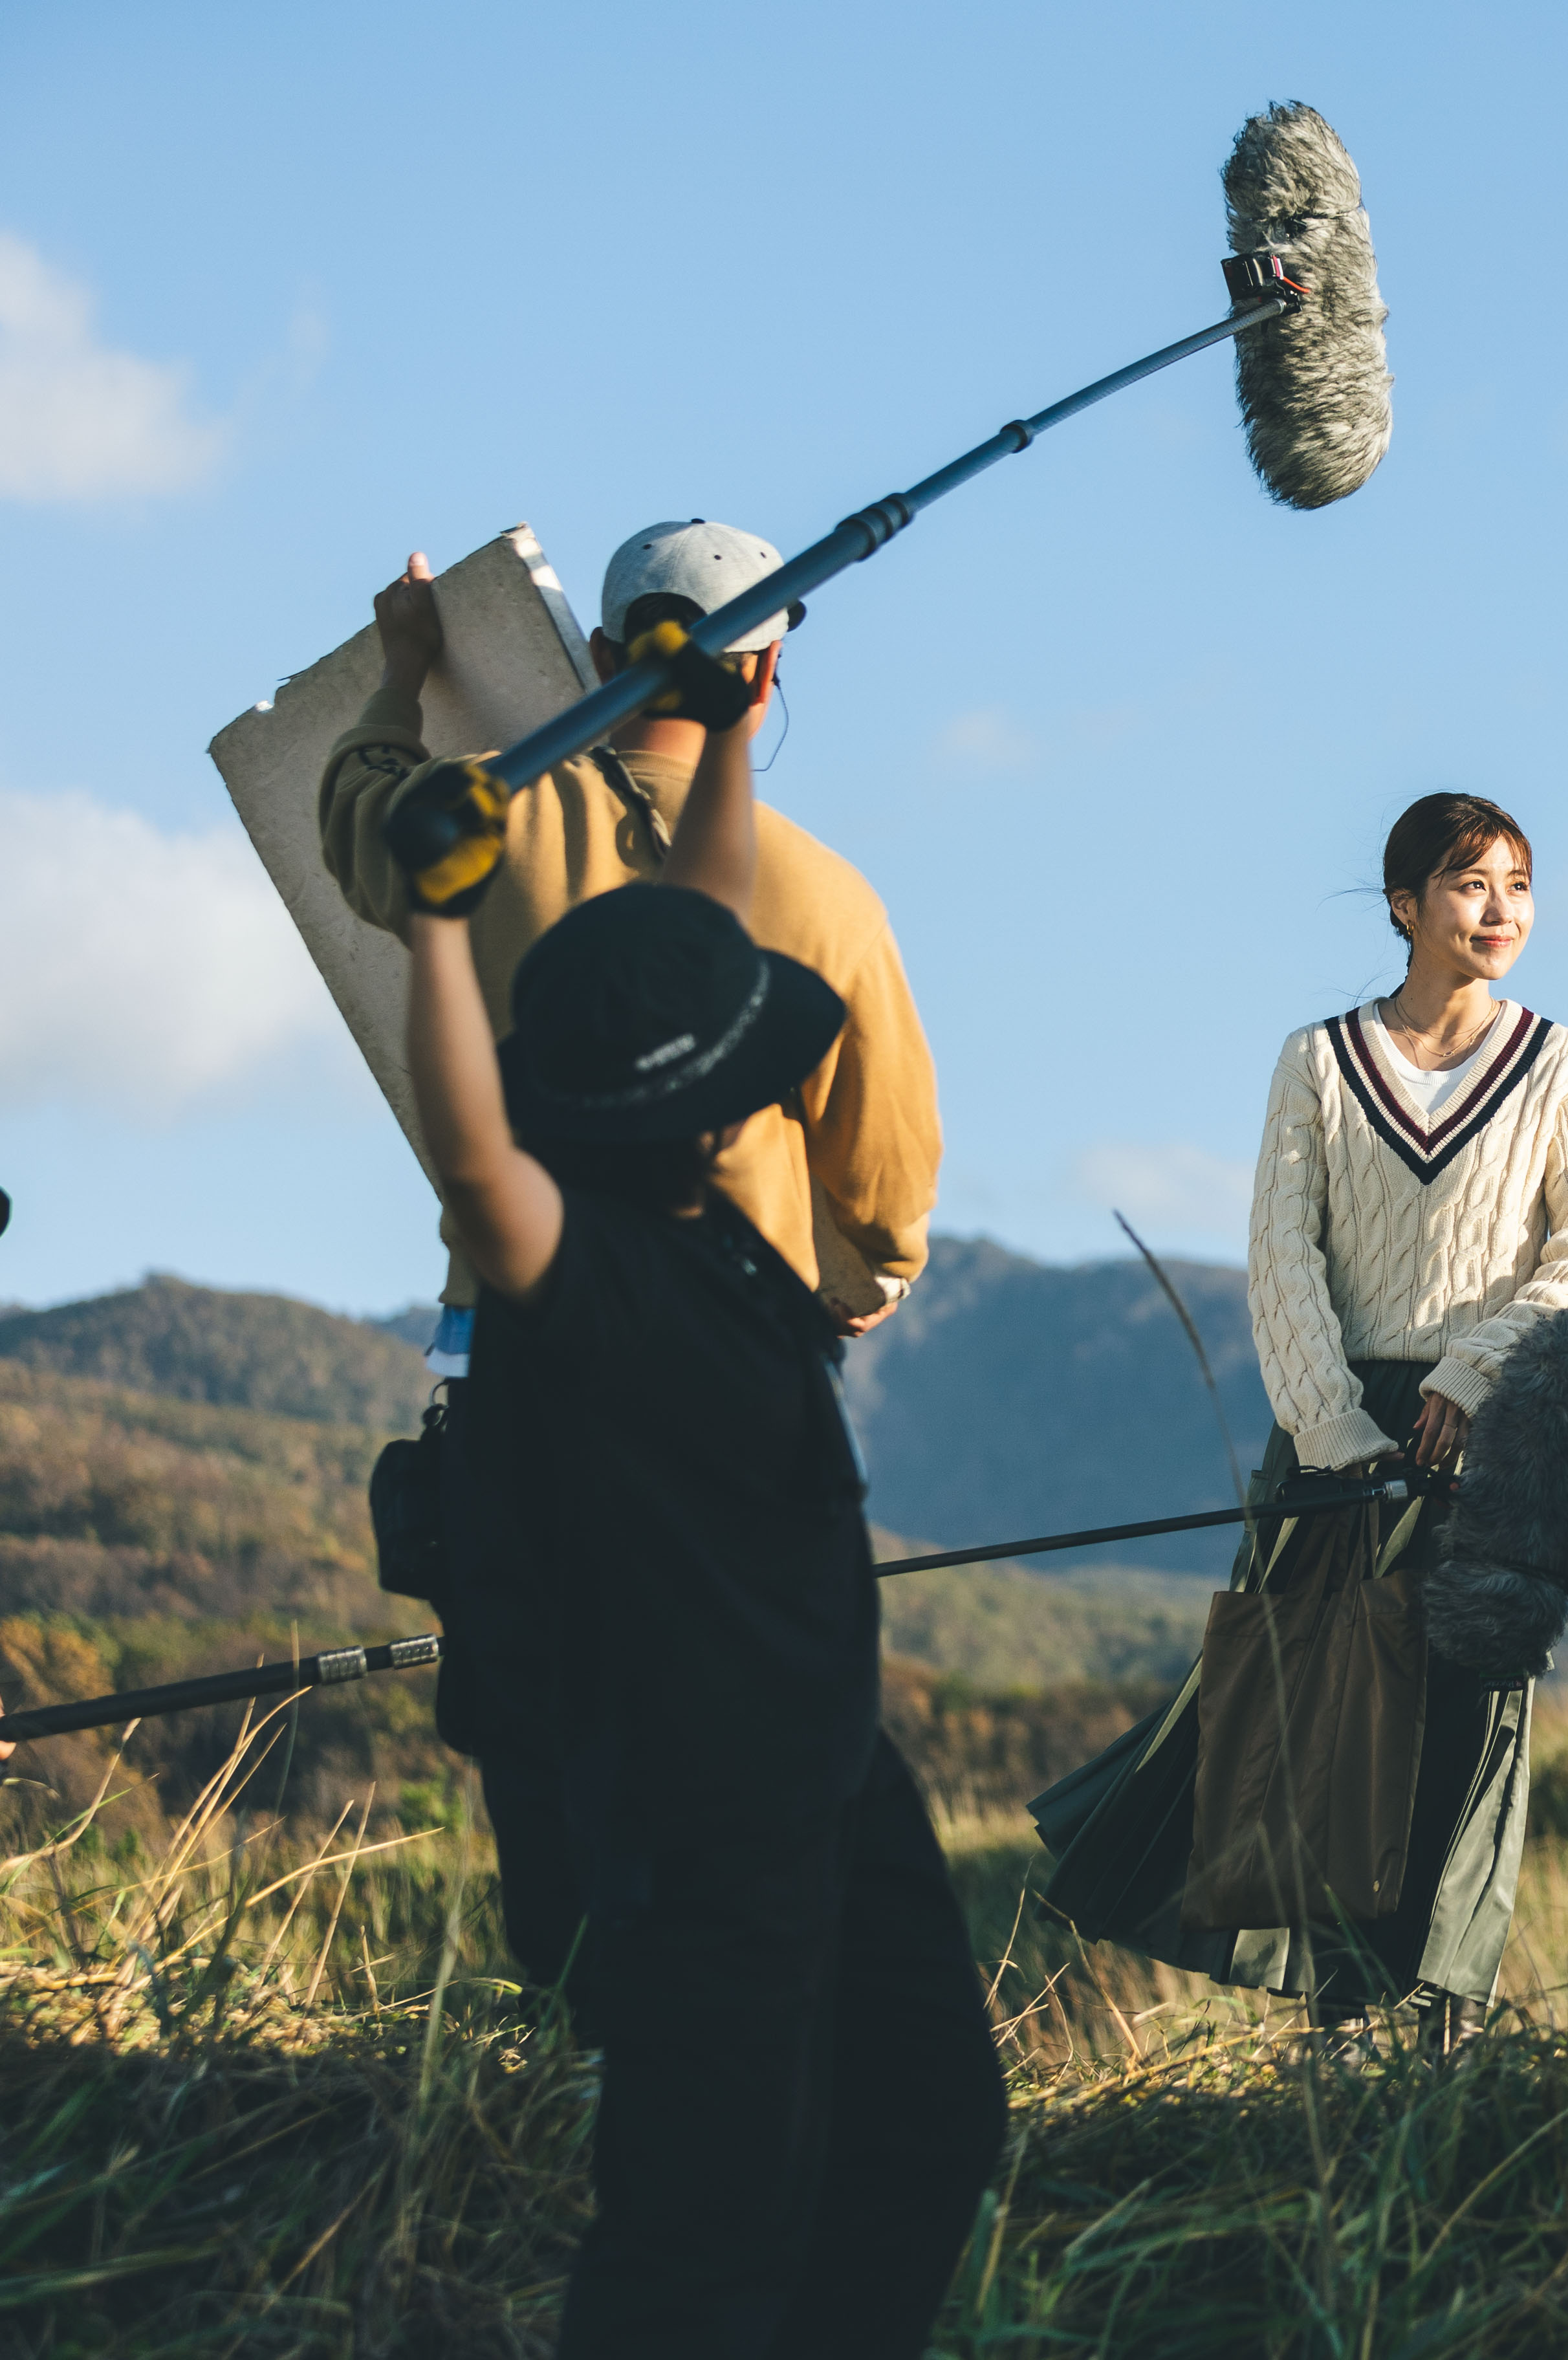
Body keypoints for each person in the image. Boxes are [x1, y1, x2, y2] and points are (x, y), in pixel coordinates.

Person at [396, 623, 1004, 2356]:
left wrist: (731, 731)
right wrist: (437, 923)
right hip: (683, 1824)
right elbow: (471, 1156)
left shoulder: (705, 1220)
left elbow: (709, 925)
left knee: (928, 2132)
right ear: (663, 1107)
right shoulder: (572, 1275)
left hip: (823, 1773)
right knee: (702, 2238)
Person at [328, 525, 942, 1993]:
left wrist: (411, 666)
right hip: (734, 1373)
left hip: (515, 1359)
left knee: (539, 1728)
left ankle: (579, 2024)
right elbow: (888, 1182)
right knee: (739, 1737)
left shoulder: (472, 831)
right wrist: (851, 1288)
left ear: (598, 660)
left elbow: (352, 799)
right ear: (770, 671)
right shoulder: (826, 897)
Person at [1152, 791, 1568, 2046]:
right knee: (1321, 1718)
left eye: (1519, 885)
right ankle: (1338, 2020)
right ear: (1406, 905)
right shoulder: (1317, 1061)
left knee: (1471, 1722)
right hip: (1339, 1432)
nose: (1501, 909)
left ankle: (1443, 2011)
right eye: (1472, 884)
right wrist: (1334, 1431)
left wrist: (1472, 1377)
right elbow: (1281, 1256)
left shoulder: (1562, 1063)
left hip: (1494, 1426)